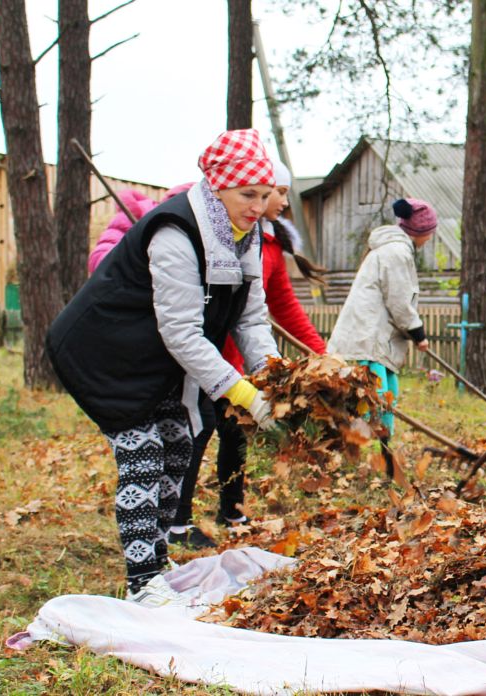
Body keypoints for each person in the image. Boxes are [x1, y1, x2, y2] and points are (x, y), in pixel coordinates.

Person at [47, 129, 281, 607]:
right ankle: (141, 582)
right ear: (218, 187)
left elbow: (251, 318)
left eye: (265, 194)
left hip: (152, 357)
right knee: (144, 453)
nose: (258, 206)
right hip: (102, 352)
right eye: (247, 194)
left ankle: (155, 559)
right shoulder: (175, 231)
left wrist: (274, 376)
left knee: (178, 443)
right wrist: (244, 394)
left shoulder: (247, 236)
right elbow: (181, 332)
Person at [169, 159, 328, 548]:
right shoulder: (218, 232)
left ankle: (231, 509)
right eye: (279, 192)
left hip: (237, 360)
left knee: (235, 433)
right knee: (197, 429)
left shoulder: (266, 243)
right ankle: (177, 520)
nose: (282, 202)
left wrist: (323, 354)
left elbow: (281, 305)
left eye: (280, 193)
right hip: (202, 355)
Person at [327, 198, 435, 471]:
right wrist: (418, 333)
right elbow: (399, 300)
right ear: (422, 232)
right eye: (431, 232)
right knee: (372, 403)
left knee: (385, 401)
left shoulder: (395, 249)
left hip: (374, 340)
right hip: (368, 341)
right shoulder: (397, 252)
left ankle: (383, 458)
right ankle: (350, 458)